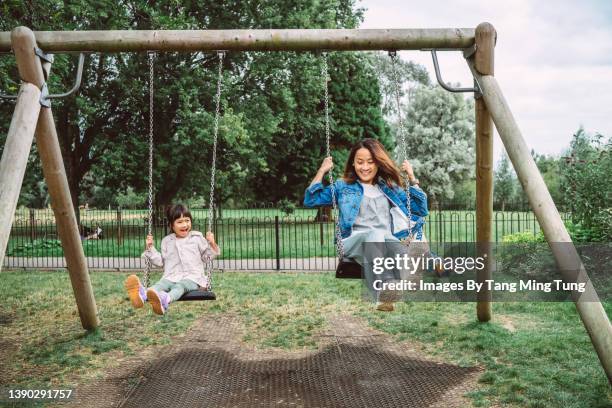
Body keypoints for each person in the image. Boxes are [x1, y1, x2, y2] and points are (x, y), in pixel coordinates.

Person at [304, 138, 428, 311]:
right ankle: (381, 292)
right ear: (353, 164)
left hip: (383, 242)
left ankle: (392, 289)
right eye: (360, 162)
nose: (365, 167)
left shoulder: (389, 188)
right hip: (353, 241)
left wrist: (412, 178)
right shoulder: (343, 187)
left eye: (370, 162)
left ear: (377, 164)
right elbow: (311, 200)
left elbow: (421, 209)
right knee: (374, 234)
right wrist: (322, 171)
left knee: (398, 247)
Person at [124, 203, 220, 315]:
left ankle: (165, 299)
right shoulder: (167, 241)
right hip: (171, 276)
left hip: (193, 278)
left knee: (180, 286)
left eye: (187, 220)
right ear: (171, 225)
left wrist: (212, 244)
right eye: (180, 222)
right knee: (161, 285)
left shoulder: (197, 238)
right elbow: (160, 262)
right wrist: (150, 248)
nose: (184, 224)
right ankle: (143, 295)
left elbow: (207, 257)